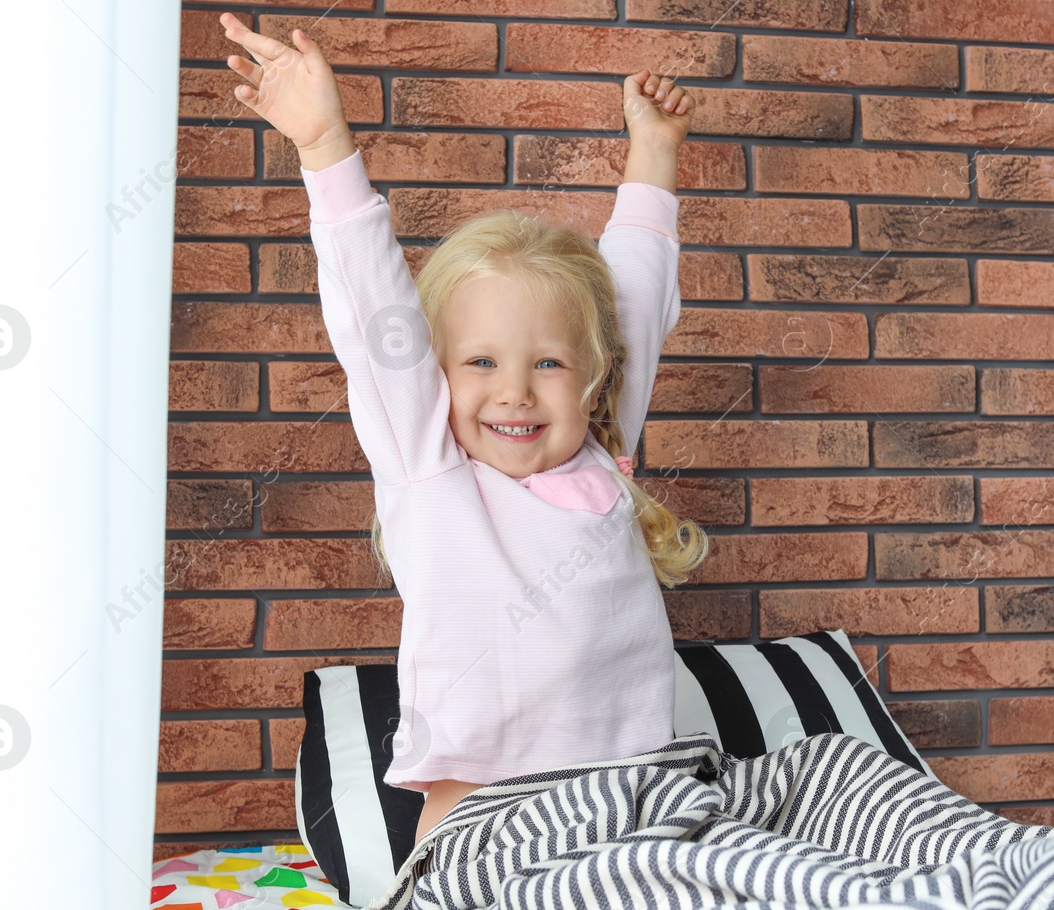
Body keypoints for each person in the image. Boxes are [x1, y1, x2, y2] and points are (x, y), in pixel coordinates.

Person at [219, 13, 709, 846]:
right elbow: (374, 309)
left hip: (632, 816)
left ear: (588, 378)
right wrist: (325, 147)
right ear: (434, 376)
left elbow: (630, 299)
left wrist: (654, 155)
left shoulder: (599, 445)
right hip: (483, 832)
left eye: (548, 366)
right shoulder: (430, 468)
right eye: (479, 363)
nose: (514, 393)